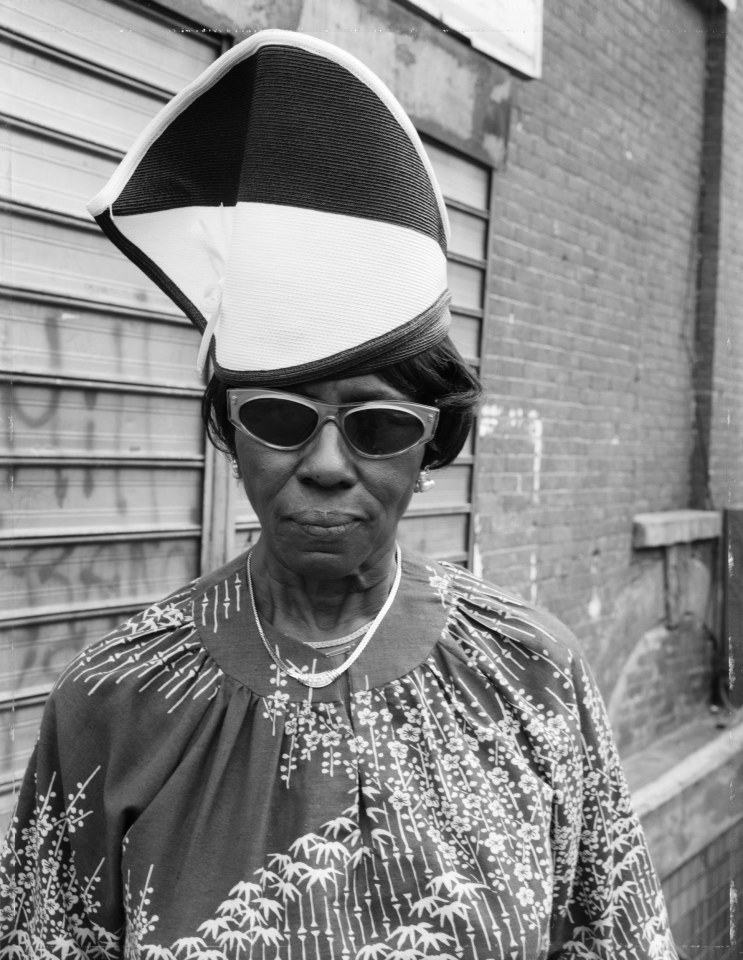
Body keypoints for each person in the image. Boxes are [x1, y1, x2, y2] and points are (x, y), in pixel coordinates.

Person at [0, 29, 678, 960]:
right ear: (228, 432)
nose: (325, 463)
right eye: (280, 418)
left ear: (434, 439)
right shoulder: (113, 703)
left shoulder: (533, 677)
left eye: (378, 425)